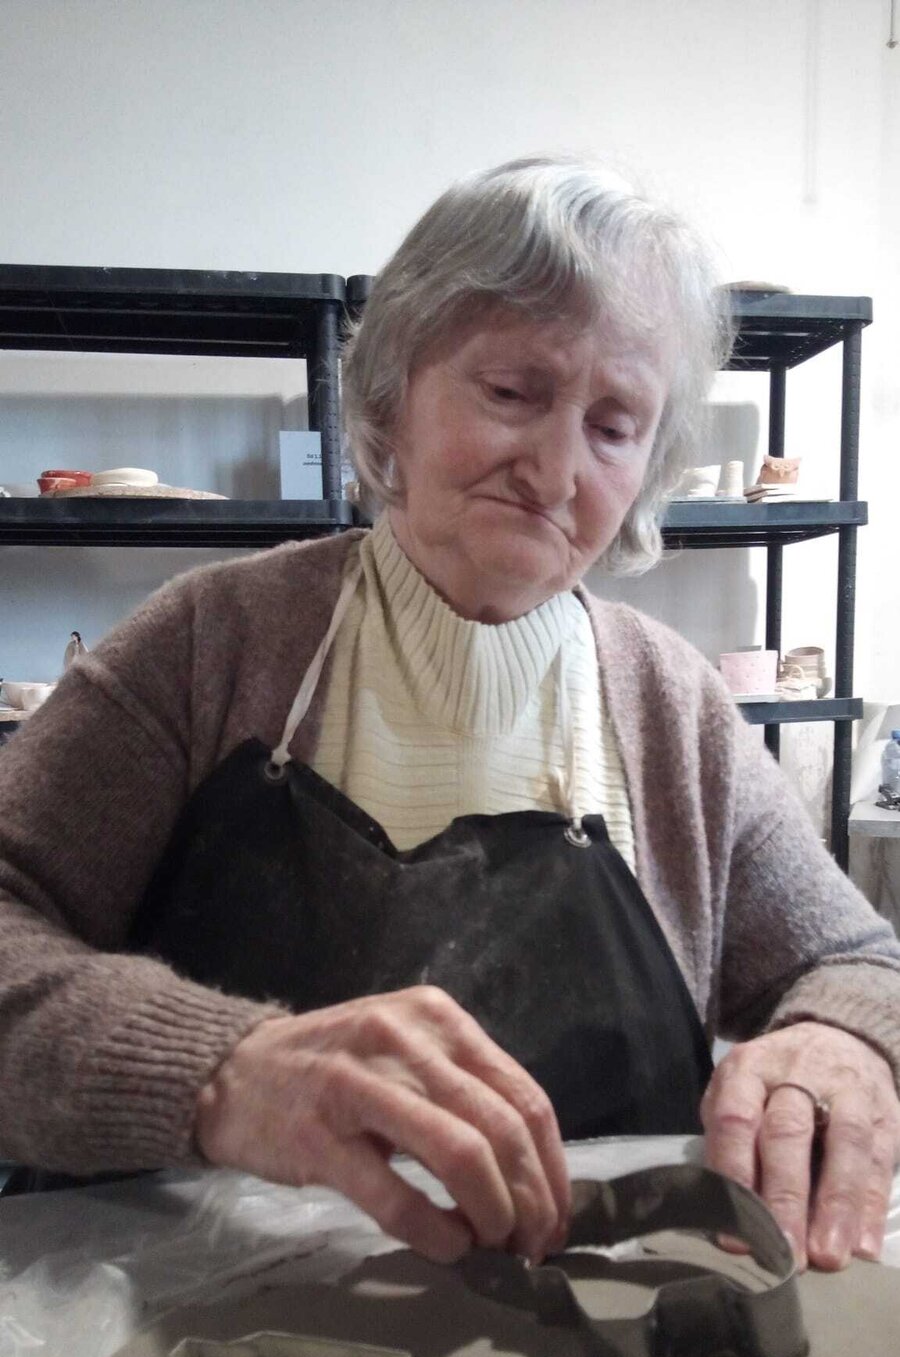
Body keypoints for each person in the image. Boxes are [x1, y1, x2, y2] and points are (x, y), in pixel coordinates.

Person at [1, 156, 899, 1274]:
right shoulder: (210, 644)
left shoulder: (677, 713)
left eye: (614, 426)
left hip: (583, 1342)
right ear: (392, 397)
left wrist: (843, 1041)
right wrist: (219, 1072)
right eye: (512, 392)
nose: (556, 471)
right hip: (192, 1338)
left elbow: (857, 963)